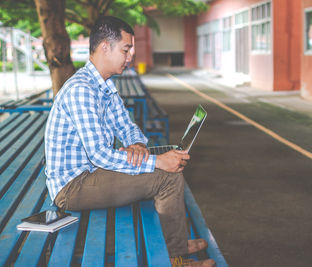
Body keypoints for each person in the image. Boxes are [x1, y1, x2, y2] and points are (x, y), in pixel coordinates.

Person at [45, 16, 215, 267]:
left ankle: (176, 242)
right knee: (166, 175)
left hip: (93, 172)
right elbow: (100, 155)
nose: (130, 56)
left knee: (169, 156)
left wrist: (138, 146)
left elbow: (127, 126)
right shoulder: (81, 89)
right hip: (73, 187)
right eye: (126, 49)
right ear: (105, 47)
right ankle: (174, 258)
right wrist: (155, 162)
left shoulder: (102, 86)